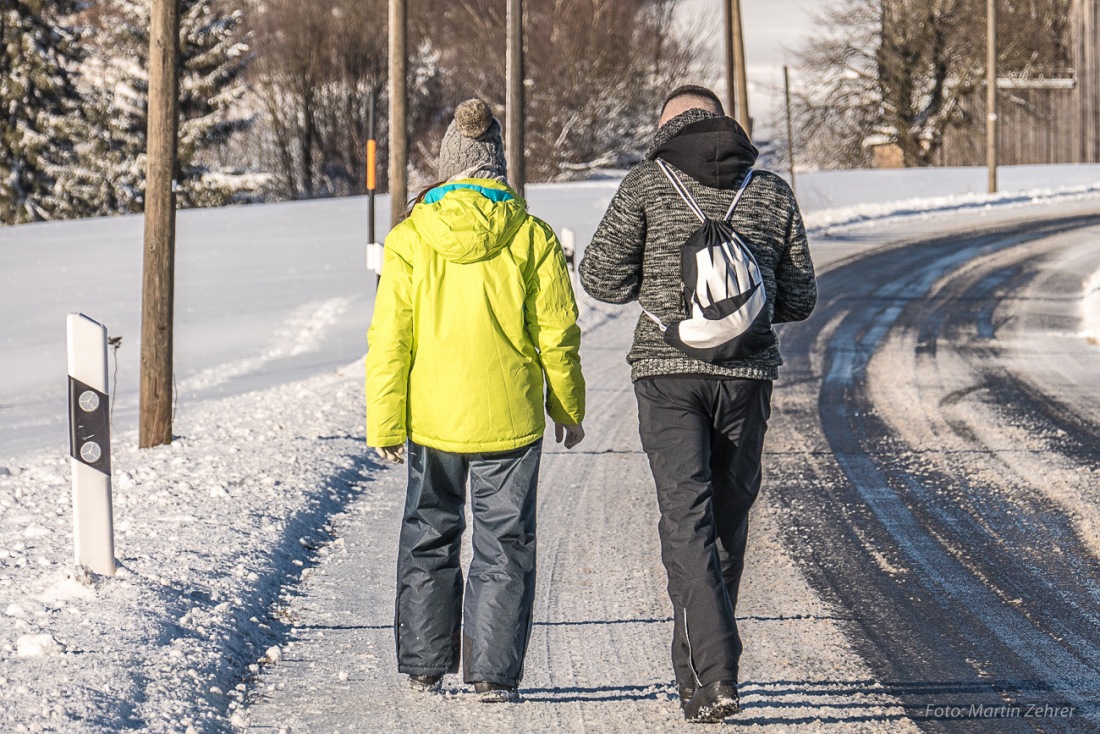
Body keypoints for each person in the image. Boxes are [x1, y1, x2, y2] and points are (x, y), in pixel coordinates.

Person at [579, 85, 816, 723]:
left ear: (668, 127)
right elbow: (800, 300)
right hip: (747, 379)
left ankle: (712, 673)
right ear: (722, 123)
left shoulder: (646, 184)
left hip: (666, 377)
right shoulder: (770, 192)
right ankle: (706, 674)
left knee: (687, 521)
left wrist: (657, 280)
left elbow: (599, 278)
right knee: (727, 524)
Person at [366, 98, 585, 703]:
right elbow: (557, 334)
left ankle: (423, 666)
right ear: (497, 167)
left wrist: (384, 420)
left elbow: (391, 339)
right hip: (510, 424)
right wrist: (566, 406)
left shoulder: (409, 238)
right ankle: (492, 675)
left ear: (448, 167)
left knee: (428, 535)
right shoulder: (533, 237)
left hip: (433, 421)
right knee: (504, 545)